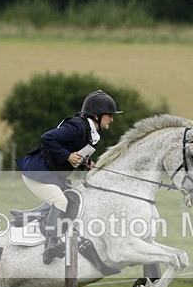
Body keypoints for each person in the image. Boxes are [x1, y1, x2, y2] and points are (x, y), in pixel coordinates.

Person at [16, 90, 121, 264]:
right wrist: (67, 155)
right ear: (96, 115)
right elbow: (47, 138)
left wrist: (85, 163)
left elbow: (74, 152)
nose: (112, 119)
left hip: (51, 175)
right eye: (109, 115)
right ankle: (51, 243)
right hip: (36, 173)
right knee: (60, 202)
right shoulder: (76, 127)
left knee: (73, 197)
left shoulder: (89, 132)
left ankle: (31, 216)